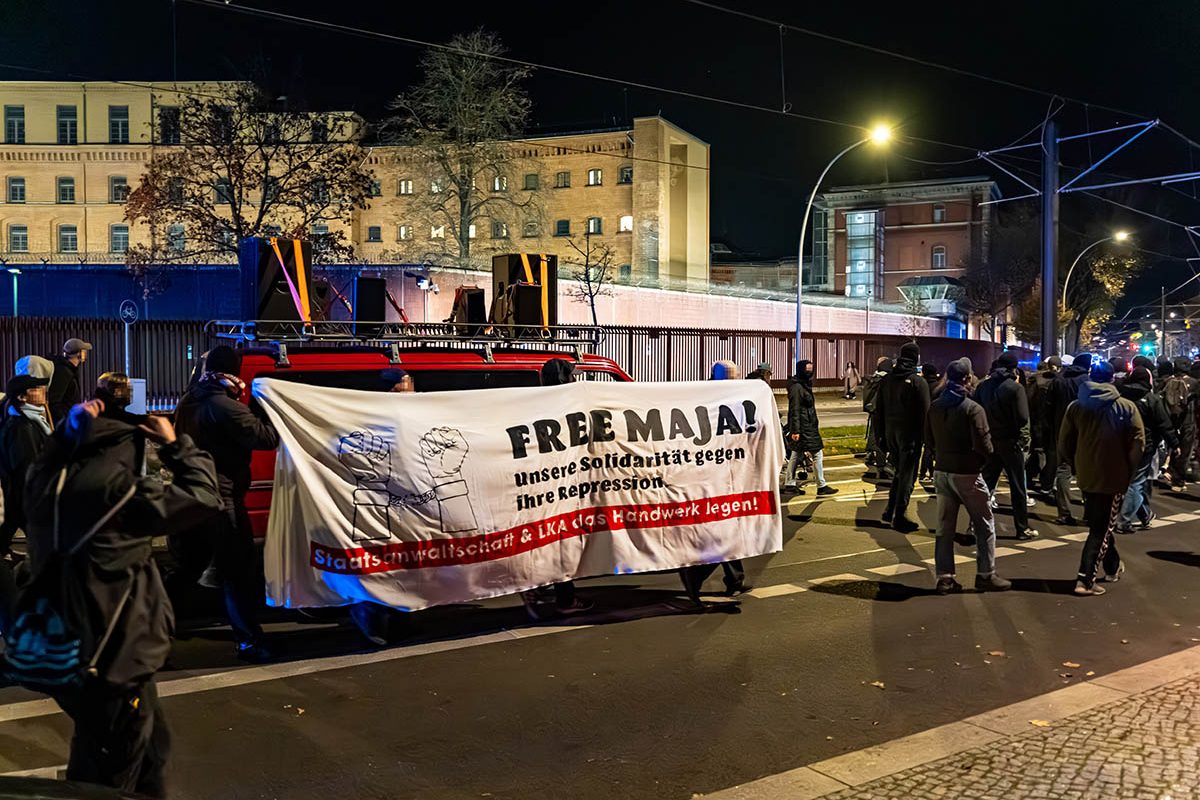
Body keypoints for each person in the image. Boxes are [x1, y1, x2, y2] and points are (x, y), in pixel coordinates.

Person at [22, 398, 219, 797]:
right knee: (108, 770)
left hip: (68, 650)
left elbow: (46, 458)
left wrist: (71, 429)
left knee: (149, 749)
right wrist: (174, 444)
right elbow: (203, 495)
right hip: (112, 658)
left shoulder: (45, 484)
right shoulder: (121, 495)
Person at [173, 346, 280, 661]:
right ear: (232, 371)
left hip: (192, 494)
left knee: (188, 569)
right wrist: (268, 406)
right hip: (223, 500)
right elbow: (266, 438)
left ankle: (147, 625)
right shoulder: (226, 406)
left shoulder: (189, 400)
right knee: (237, 572)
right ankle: (249, 641)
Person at [1058, 360, 1144, 596]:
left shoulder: (1076, 406)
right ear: (1112, 378)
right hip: (1114, 474)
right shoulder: (1125, 407)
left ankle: (1113, 566)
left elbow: (1064, 442)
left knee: (1101, 523)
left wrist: (1074, 463)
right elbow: (1138, 442)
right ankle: (1085, 579)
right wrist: (1129, 470)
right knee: (1101, 529)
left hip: (1086, 473)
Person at [924, 358, 1011, 594]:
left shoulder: (935, 406)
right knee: (984, 525)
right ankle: (986, 574)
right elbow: (985, 445)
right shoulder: (973, 409)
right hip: (967, 473)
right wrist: (980, 462)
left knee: (944, 528)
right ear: (967, 378)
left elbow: (928, 440)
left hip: (942, 471)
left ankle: (945, 578)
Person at [520, 359, 596, 620]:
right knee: (562, 541)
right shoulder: (565, 404)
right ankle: (561, 597)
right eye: (572, 376)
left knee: (553, 541)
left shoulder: (535, 403)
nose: (576, 379)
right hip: (559, 485)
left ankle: (540, 588)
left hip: (547, 485)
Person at [679, 360, 752, 605]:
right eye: (736, 375)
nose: (740, 378)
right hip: (716, 474)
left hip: (723, 472)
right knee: (723, 530)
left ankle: (732, 578)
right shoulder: (717, 399)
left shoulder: (710, 395)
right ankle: (699, 573)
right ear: (725, 377)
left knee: (725, 529)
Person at [975, 352, 1038, 540]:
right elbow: (1023, 417)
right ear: (1014, 368)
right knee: (1018, 487)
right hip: (1010, 441)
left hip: (990, 440)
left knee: (986, 485)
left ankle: (976, 525)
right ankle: (1022, 528)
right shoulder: (1014, 388)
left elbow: (976, 411)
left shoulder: (984, 386)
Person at [876, 342, 930, 533]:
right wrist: (929, 441)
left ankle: (890, 510)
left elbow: (879, 410)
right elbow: (925, 414)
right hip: (910, 436)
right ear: (916, 358)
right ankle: (899, 515)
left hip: (891, 434)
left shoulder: (887, 380)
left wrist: (880, 437)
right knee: (907, 476)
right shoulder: (917, 382)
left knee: (899, 473)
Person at [1116, 366, 1176, 532]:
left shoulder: (1121, 396)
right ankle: (1124, 521)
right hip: (1145, 445)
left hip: (1122, 443)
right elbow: (1164, 424)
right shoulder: (1151, 399)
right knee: (1136, 482)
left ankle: (1145, 514)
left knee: (1132, 481)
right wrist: (1174, 443)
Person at [0, 374, 52, 556]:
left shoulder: (32, 421)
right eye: (35, 389)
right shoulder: (21, 427)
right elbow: (26, 466)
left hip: (23, 496)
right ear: (22, 397)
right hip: (25, 494)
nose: (43, 391)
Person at [1049, 353, 1094, 525]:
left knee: (1063, 470)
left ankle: (1064, 512)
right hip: (1083, 431)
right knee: (1086, 471)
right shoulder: (1087, 382)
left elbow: (1048, 407)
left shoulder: (1059, 380)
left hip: (1061, 429)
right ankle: (1089, 512)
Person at [784, 360, 837, 496]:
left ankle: (790, 484)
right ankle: (821, 485)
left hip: (807, 426)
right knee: (817, 454)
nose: (810, 372)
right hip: (804, 427)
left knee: (796, 454)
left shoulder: (803, 385)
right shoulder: (797, 387)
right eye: (807, 369)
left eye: (811, 369)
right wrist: (796, 430)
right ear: (801, 370)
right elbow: (794, 409)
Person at [1027, 356, 1061, 496]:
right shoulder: (1056, 382)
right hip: (1049, 422)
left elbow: (1029, 401)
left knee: (1037, 451)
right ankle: (1045, 482)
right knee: (1049, 454)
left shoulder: (1035, 380)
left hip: (1036, 421)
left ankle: (1029, 476)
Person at [1160, 360, 1195, 490]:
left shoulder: (1168, 381)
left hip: (1171, 420)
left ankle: (1170, 470)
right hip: (1188, 420)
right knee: (1185, 451)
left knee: (1174, 447)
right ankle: (1178, 480)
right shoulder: (1194, 383)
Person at [46, 338, 92, 424]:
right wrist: (65, 421)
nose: (86, 353)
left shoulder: (69, 370)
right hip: (66, 421)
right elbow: (54, 401)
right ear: (79, 353)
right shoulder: (63, 371)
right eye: (84, 351)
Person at [862, 357, 892, 478]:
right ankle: (885, 465)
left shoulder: (873, 378)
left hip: (874, 411)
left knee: (875, 435)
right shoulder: (887, 380)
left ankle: (876, 460)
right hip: (885, 413)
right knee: (885, 438)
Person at [918, 364, 941, 482]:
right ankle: (932, 473)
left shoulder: (921, 385)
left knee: (927, 447)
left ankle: (923, 472)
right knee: (932, 447)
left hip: (921, 419)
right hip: (935, 419)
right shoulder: (938, 386)